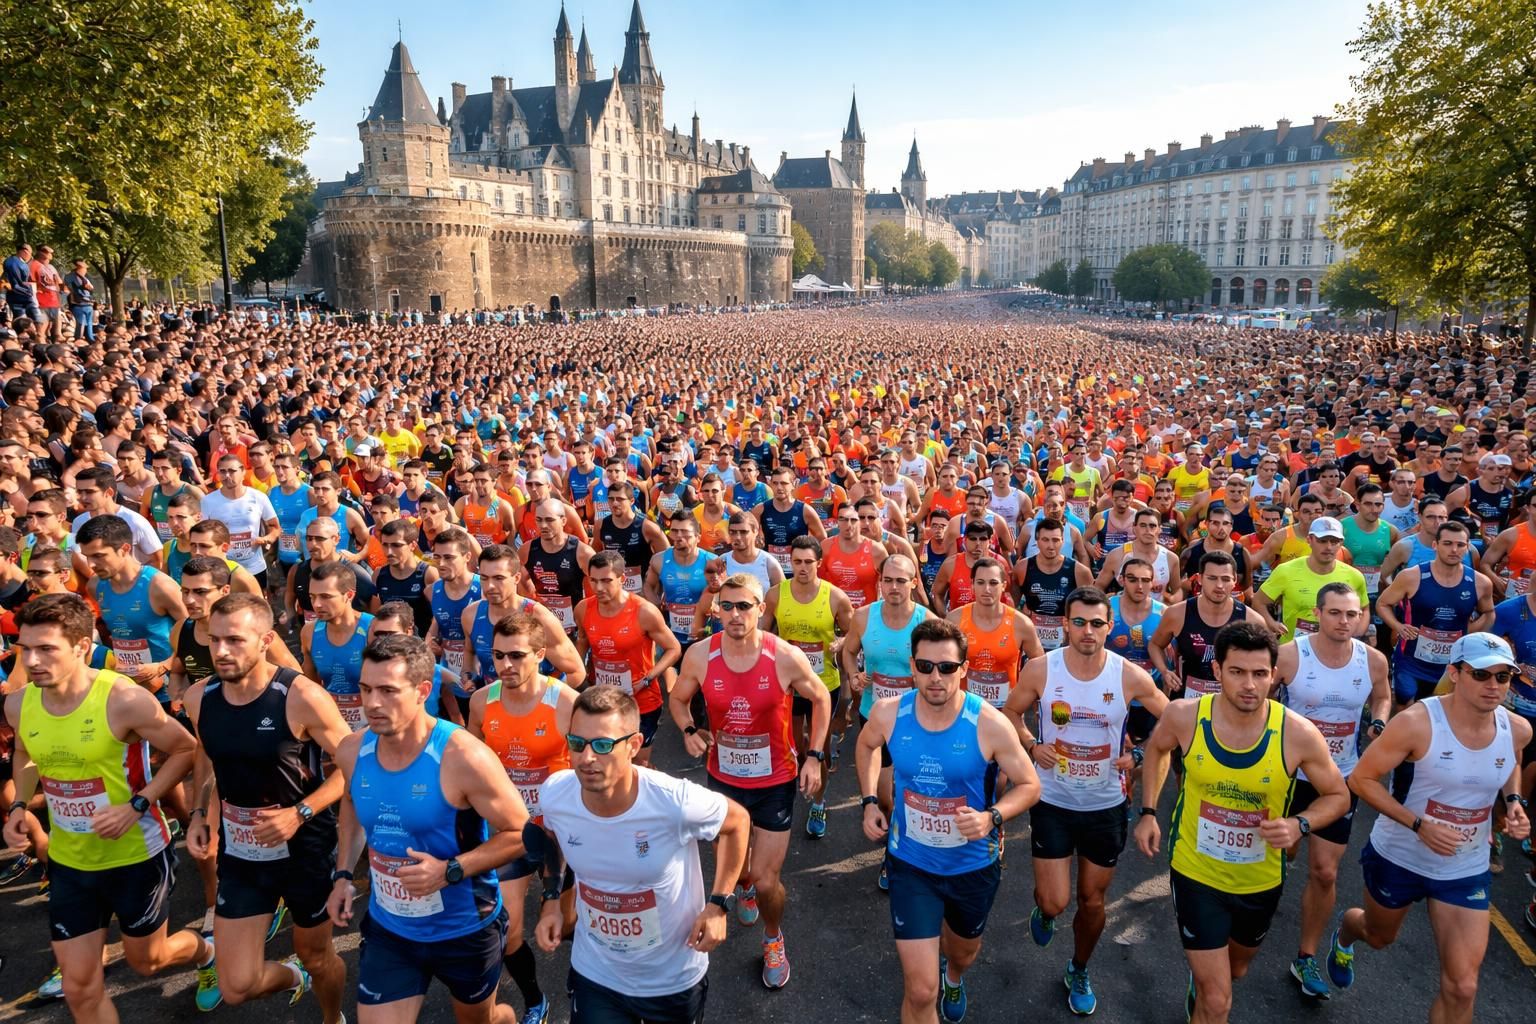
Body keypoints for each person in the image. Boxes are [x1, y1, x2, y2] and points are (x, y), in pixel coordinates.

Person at [3, 593, 218, 1019]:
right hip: (70, 860)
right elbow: (25, 754)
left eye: (47, 649)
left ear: (82, 647)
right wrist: (19, 807)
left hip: (135, 854)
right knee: (79, 986)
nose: (31, 661)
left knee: (147, 961)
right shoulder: (19, 703)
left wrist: (137, 804)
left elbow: (184, 749)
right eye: (25, 649)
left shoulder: (123, 698)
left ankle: (206, 954)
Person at [1134, 621, 1351, 1024]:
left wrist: (1300, 824)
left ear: (1274, 675)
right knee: (1219, 1002)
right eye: (1237, 672)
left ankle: (1205, 984)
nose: (1249, 684)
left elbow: (1339, 796)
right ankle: (1207, 994)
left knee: (1236, 972)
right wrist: (1148, 811)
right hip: (1195, 871)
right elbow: (1158, 749)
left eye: (1260, 674)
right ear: (1217, 672)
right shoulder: (1184, 716)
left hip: (1260, 880)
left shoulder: (1297, 734)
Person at [326, 633, 532, 1024]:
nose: (371, 703)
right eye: (366, 688)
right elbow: (351, 805)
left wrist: (449, 870)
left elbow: (520, 833)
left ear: (423, 690)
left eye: (388, 691)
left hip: (464, 927)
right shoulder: (352, 750)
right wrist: (342, 875)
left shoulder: (463, 757)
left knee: (482, 1021)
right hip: (391, 929)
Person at [1327, 634, 1531, 1024]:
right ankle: (1346, 934)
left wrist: (1514, 802)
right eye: (1481, 675)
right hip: (1400, 856)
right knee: (1378, 936)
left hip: (1463, 867)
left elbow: (1511, 760)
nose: (1493, 686)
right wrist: (1419, 826)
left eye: (1503, 678)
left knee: (1462, 986)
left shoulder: (1517, 728)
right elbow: (1363, 779)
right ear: (1454, 673)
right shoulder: (1416, 723)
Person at [857, 617, 1041, 1024]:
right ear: (912, 667)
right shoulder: (889, 713)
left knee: (962, 953)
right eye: (924, 667)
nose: (935, 677)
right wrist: (870, 800)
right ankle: (937, 985)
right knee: (921, 991)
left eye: (946, 667)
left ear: (964, 670)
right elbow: (867, 744)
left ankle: (955, 976)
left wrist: (992, 816)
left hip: (972, 866)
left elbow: (1030, 785)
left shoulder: (990, 723)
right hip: (911, 864)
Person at [535, 685, 751, 1023]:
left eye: (603, 745)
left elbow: (737, 822)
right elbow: (551, 835)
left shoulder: (673, 802)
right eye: (577, 743)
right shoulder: (556, 794)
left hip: (669, 980)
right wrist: (551, 900)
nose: (587, 758)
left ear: (634, 745)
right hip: (596, 973)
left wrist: (719, 904)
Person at [183, 594, 352, 1021]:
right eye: (215, 641)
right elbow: (207, 753)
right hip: (242, 852)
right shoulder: (200, 697)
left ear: (265, 640)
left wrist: (300, 814)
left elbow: (354, 768)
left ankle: (333, 1017)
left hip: (305, 848)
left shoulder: (300, 697)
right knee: (236, 985)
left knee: (316, 954)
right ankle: (297, 978)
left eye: (235, 640)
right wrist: (201, 813)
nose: (221, 651)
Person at [1003, 586, 1166, 1015]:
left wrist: (1142, 752)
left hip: (1105, 805)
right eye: (1079, 622)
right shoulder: (1042, 669)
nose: (1088, 631)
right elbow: (1011, 713)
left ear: (1109, 627)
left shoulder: (1128, 674)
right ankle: (1046, 912)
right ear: (1065, 624)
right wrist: (1032, 745)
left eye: (1097, 623)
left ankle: (1079, 967)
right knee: (1055, 900)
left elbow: (1173, 719)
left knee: (1093, 901)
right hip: (1053, 799)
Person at [668, 572, 831, 989]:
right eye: (727, 606)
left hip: (775, 779)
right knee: (739, 872)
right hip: (724, 779)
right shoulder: (701, 655)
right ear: (717, 610)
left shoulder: (784, 656)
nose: (735, 614)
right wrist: (688, 730)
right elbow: (679, 697)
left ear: (761, 609)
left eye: (745, 606)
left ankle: (773, 938)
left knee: (766, 879)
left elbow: (821, 696)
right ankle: (741, 885)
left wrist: (813, 755)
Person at [1268, 584, 1390, 999]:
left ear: (1360, 618)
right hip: (1289, 776)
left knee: (1325, 872)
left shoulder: (1373, 660)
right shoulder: (1289, 655)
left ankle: (1307, 955)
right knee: (1281, 853)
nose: (1343, 621)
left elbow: (1383, 696)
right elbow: (1261, 702)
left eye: (1351, 615)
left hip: (1339, 780)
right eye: (1335, 613)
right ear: (1317, 613)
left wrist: (1378, 720)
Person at [467, 611, 579, 1024]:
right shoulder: (482, 702)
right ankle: (535, 1000)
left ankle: (585, 972)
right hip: (511, 832)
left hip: (560, 834)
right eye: (498, 656)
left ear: (541, 655)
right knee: (510, 933)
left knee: (565, 926)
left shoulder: (564, 702)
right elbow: (470, 766)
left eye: (516, 656)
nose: (505, 666)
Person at [840, 553, 930, 888]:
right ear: (881, 583)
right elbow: (849, 651)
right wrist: (853, 676)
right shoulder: (864, 617)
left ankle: (902, 853)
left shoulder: (926, 622)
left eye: (901, 581)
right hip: (873, 718)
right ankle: (895, 849)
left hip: (913, 722)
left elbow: (938, 670)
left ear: (913, 583)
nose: (894, 587)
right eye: (888, 580)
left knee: (916, 792)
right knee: (885, 797)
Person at [762, 535, 854, 826]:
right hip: (788, 684)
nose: (802, 568)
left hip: (823, 685)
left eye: (808, 562)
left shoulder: (835, 597)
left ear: (819, 563)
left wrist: (840, 643)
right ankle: (798, 778)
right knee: (796, 747)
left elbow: (853, 635)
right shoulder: (776, 594)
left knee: (820, 750)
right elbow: (763, 634)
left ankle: (819, 802)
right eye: (796, 561)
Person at [576, 551, 682, 766]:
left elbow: (673, 649)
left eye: (606, 581)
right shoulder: (583, 609)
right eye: (593, 581)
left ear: (622, 579)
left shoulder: (644, 612)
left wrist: (647, 679)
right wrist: (582, 672)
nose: (598, 588)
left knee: (638, 764)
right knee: (607, 759)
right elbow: (582, 641)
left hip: (641, 701)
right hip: (603, 698)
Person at [1375, 521, 1494, 706]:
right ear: (1435, 545)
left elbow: (1489, 613)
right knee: (1406, 705)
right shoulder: (1411, 576)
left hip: (1451, 664)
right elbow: (1382, 604)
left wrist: (1468, 635)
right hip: (1411, 660)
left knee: (1445, 713)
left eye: (1460, 545)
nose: (1454, 549)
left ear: (1468, 547)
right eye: (1447, 543)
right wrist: (1398, 626)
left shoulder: (1480, 583)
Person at [948, 555, 1042, 710]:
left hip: (1006, 712)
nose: (987, 589)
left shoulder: (1021, 624)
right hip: (966, 710)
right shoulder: (954, 620)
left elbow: (1040, 666)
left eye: (993, 583)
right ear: (972, 585)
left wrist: (1030, 699)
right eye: (980, 582)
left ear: (1004, 585)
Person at [1258, 517, 1369, 643]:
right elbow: (1259, 601)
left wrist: (1356, 634)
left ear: (1341, 543)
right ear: (1309, 540)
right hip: (1294, 651)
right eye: (1322, 541)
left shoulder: (1354, 576)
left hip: (1336, 649)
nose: (1328, 547)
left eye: (1334, 542)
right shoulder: (1286, 571)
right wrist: (1271, 623)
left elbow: (1364, 608)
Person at [1013, 518, 1093, 653]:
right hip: (1032, 642)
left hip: (1067, 643)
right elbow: (1011, 606)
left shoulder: (1080, 572)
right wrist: (1023, 614)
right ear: (1036, 542)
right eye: (1045, 540)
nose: (1051, 546)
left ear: (1063, 541)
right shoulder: (1022, 568)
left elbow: (1091, 610)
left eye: (1055, 540)